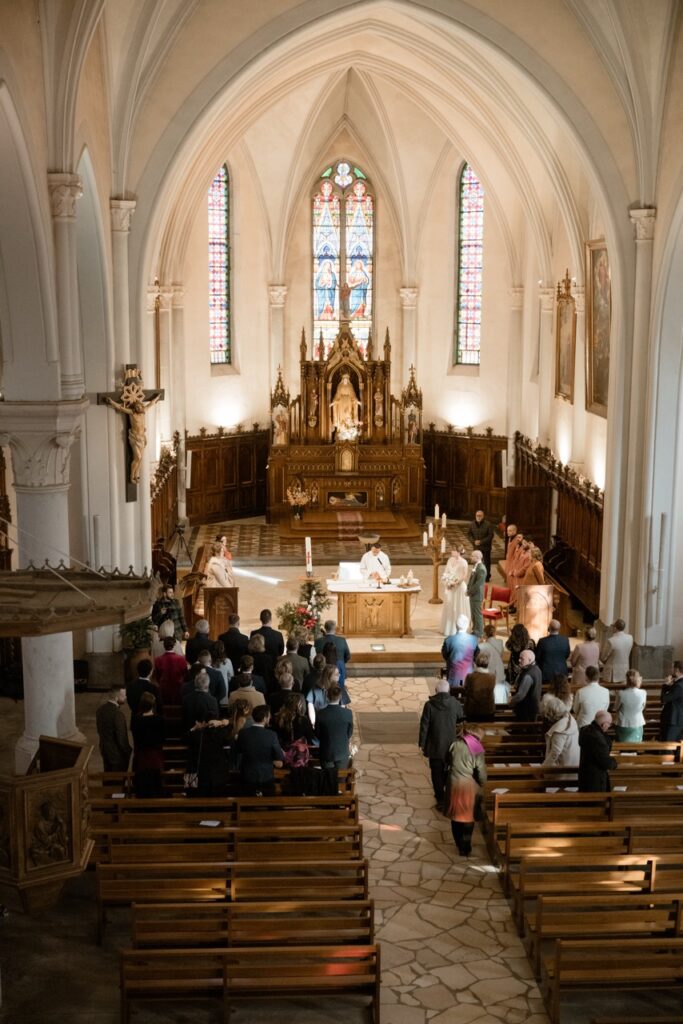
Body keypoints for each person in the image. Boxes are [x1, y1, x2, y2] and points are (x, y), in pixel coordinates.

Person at [418, 679, 464, 804]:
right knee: (448, 770)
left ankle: (440, 797)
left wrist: (422, 743)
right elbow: (461, 718)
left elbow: (424, 726)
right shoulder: (455, 703)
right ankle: (446, 792)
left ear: (436, 691)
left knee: (436, 771)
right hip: (451, 745)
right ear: (448, 690)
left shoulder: (429, 705)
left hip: (434, 744)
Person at [445, 722, 487, 857]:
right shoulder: (476, 747)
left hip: (454, 783)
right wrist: (482, 783)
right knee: (468, 816)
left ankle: (459, 843)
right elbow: (480, 771)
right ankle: (466, 846)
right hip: (469, 785)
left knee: (455, 815)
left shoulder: (454, 744)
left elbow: (447, 761)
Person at [234, 704, 284, 796]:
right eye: (269, 716)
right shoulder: (272, 735)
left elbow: (237, 751)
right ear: (265, 718)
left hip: (247, 776)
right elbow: (279, 757)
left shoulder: (243, 733)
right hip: (266, 777)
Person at [130, 691, 165, 797]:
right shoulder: (160, 719)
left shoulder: (136, 719)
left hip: (141, 756)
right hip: (155, 756)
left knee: (142, 785)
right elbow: (162, 738)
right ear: (153, 705)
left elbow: (135, 737)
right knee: (155, 784)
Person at [315, 685, 353, 769]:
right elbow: (349, 733)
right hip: (342, 752)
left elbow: (317, 734)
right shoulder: (348, 713)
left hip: (326, 751)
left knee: (327, 779)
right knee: (341, 779)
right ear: (340, 697)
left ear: (327, 696)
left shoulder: (320, 714)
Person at [95, 685, 132, 772]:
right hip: (117, 755)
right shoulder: (118, 714)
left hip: (105, 751)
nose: (126, 697)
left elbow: (99, 731)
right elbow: (121, 738)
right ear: (116, 697)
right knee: (118, 781)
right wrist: (128, 751)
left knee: (108, 778)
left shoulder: (100, 710)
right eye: (123, 696)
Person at [578, 710, 617, 791]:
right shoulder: (597, 738)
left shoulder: (585, 730)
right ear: (604, 724)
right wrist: (614, 763)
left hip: (585, 774)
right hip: (595, 779)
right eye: (609, 724)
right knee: (596, 802)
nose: (609, 726)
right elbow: (605, 762)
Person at [541, 697, 580, 771]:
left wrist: (543, 768)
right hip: (573, 763)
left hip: (562, 768)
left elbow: (555, 753)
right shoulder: (570, 719)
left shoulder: (559, 730)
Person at [441, 614, 478, 687]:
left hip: (453, 677)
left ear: (456, 625)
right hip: (468, 678)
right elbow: (476, 655)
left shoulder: (449, 640)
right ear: (467, 626)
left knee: (453, 696)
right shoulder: (473, 639)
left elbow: (445, 655)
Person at [181, 667, 219, 736]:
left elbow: (184, 721)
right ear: (207, 685)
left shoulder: (186, 699)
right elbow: (214, 721)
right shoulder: (212, 700)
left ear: (195, 683)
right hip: (206, 736)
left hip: (189, 734)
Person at [441, 545, 470, 636]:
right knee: (450, 606)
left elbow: (464, 575)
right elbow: (446, 572)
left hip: (459, 588)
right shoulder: (450, 560)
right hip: (450, 588)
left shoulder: (464, 562)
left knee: (458, 606)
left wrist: (455, 583)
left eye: (453, 551)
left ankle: (460, 627)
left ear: (458, 552)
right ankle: (449, 627)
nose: (451, 552)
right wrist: (447, 582)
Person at [154, 636, 188, 705]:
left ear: (164, 646)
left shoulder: (158, 660)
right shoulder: (181, 659)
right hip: (178, 688)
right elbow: (185, 674)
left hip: (164, 688)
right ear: (174, 645)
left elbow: (157, 676)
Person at [614, 669, 647, 742]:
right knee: (636, 746)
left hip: (623, 723)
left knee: (623, 747)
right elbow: (642, 708)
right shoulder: (643, 693)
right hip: (638, 722)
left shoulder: (621, 693)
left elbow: (616, 708)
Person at [462, 652, 496, 722]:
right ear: (488, 664)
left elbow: (466, 689)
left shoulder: (470, 676)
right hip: (488, 711)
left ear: (476, 663)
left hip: (473, 711)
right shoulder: (492, 677)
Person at [510, 649, 542, 721]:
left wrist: (511, 701)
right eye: (519, 658)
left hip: (526, 710)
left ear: (530, 660)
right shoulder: (537, 669)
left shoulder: (528, 674)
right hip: (533, 707)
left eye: (522, 659)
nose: (519, 660)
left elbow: (520, 695)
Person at [478, 625, 507, 700]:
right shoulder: (500, 643)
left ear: (485, 634)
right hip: (499, 669)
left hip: (488, 671)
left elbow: (479, 659)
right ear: (494, 633)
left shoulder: (482, 646)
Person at [600, 619, 633, 683]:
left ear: (615, 628)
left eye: (613, 626)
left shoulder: (611, 641)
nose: (612, 628)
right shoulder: (630, 638)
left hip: (612, 673)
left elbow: (603, 657)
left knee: (611, 691)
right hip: (624, 670)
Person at [505, 623, 535, 687]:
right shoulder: (530, 642)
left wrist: (511, 636)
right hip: (526, 667)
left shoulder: (512, 644)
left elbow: (507, 645)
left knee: (513, 685)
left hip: (514, 668)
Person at [467, 510, 494, 581]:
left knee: (486, 562)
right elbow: (469, 534)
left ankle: (486, 577)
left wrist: (481, 542)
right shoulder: (472, 524)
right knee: (476, 562)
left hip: (486, 547)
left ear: (483, 516)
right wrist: (473, 541)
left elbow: (490, 535)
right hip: (476, 547)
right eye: (477, 515)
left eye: (480, 515)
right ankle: (477, 576)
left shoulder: (488, 524)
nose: (478, 517)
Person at [659, 661, 683, 741]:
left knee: (668, 745)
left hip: (674, 720)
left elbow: (664, 699)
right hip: (676, 720)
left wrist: (665, 684)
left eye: (672, 668)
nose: (671, 670)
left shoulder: (679, 686)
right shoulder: (678, 683)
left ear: (677, 670)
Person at [466, 550, 486, 637]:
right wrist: (468, 588)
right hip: (473, 594)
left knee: (477, 614)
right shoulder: (476, 566)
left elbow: (478, 584)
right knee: (473, 613)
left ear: (477, 557)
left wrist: (470, 591)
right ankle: (475, 630)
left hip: (477, 595)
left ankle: (480, 632)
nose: (470, 557)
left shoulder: (481, 569)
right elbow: (471, 580)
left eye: (472, 556)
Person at [211, 640, 234, 704]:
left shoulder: (209, 661)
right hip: (223, 689)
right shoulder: (227, 661)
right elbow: (231, 677)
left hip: (211, 689)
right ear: (223, 649)